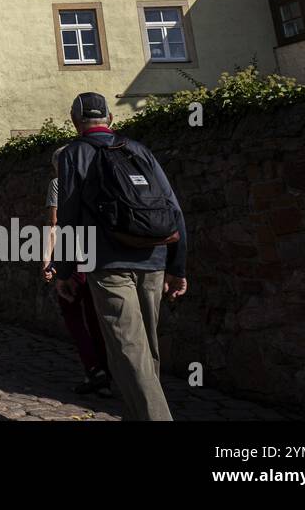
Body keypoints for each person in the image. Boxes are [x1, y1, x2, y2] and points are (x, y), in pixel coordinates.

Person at [54, 92, 188, 421]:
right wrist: (177, 266)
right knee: (146, 350)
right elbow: (173, 209)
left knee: (129, 348)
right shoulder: (138, 149)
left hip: (108, 262)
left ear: (75, 122)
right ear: (110, 119)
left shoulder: (73, 154)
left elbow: (69, 215)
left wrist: (65, 271)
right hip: (154, 258)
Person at [42, 144, 111, 397]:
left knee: (71, 312)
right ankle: (106, 369)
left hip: (71, 256)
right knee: (95, 315)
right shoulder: (95, 180)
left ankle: (94, 369)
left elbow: (54, 224)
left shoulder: (58, 184)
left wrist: (47, 259)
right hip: (98, 254)